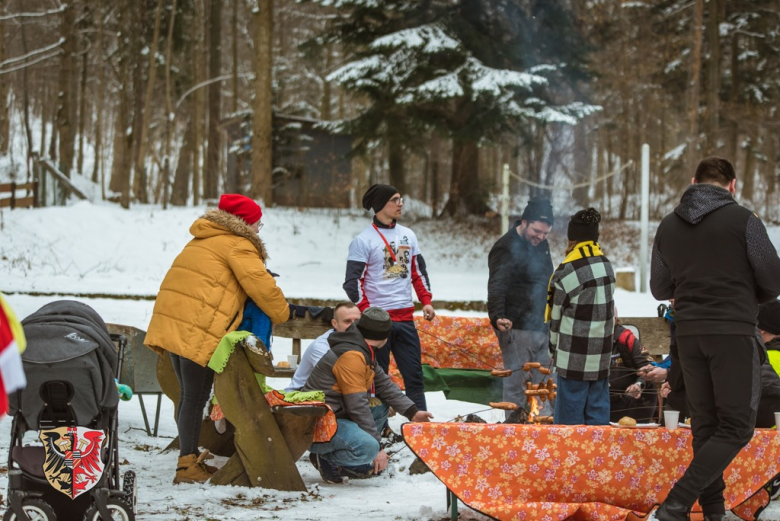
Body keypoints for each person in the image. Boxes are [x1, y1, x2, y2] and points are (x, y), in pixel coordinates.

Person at [649, 157, 780, 521]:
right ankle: (676, 503)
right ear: (733, 185)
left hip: (688, 335)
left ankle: (713, 512)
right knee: (737, 427)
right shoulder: (745, 221)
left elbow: (659, 287)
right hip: (732, 331)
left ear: (693, 182)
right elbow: (773, 281)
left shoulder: (667, 225)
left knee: (706, 427)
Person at [144, 194, 290, 485]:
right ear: (245, 224)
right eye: (258, 223)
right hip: (197, 326)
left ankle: (189, 457)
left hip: (175, 321)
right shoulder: (239, 244)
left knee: (188, 396)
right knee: (194, 397)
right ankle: (186, 466)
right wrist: (282, 313)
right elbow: (262, 287)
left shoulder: (203, 238)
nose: (260, 229)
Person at [303, 307, 433, 483]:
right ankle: (326, 457)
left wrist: (413, 412)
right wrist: (377, 448)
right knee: (368, 448)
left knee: (380, 407)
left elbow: (384, 385)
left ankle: (348, 457)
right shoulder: (352, 356)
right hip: (319, 423)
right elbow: (357, 406)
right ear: (385, 337)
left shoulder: (361, 348)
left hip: (335, 414)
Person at [343, 184, 435, 412]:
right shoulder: (363, 240)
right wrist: (368, 313)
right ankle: (380, 427)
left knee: (414, 376)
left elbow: (418, 272)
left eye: (400, 198)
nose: (401, 203)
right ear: (381, 205)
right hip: (377, 321)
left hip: (405, 318)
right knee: (376, 379)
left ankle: (420, 428)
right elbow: (352, 282)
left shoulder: (408, 234)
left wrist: (426, 301)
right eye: (395, 199)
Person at [487, 197, 555, 416]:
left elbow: (547, 279)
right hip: (515, 326)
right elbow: (497, 284)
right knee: (516, 385)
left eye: (546, 233)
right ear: (524, 222)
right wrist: (497, 315)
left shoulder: (542, 244)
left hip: (542, 326)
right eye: (537, 231)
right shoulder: (505, 247)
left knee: (545, 386)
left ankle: (545, 435)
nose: (541, 237)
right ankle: (515, 433)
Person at [548, 208, 615, 426]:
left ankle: (569, 459)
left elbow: (556, 319)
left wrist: (553, 350)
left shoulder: (566, 272)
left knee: (569, 421)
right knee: (598, 415)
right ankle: (598, 457)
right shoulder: (607, 266)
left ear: (572, 239)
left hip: (573, 355)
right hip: (602, 354)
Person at [285, 302, 361, 392]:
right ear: (335, 323)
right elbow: (338, 377)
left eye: (357, 321)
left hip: (333, 393)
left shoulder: (359, 340)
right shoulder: (321, 346)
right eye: (347, 321)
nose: (354, 325)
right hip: (302, 395)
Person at [609, 314, 658, 424]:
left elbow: (649, 368)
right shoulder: (589, 338)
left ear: (615, 319)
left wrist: (638, 384)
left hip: (633, 401)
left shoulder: (627, 339)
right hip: (602, 400)